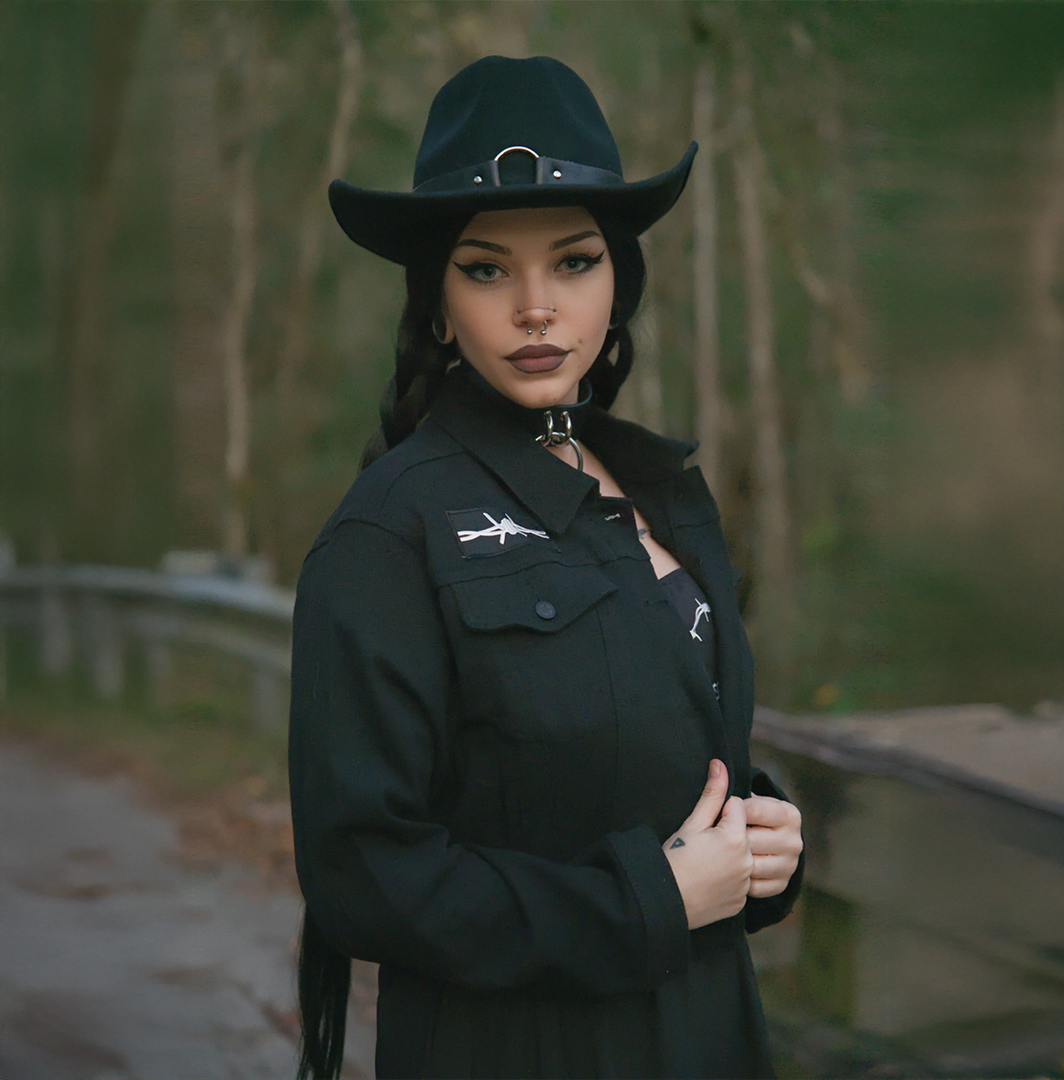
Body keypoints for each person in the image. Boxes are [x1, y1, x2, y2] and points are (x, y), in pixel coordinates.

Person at [289, 55, 804, 1080]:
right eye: (487, 270)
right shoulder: (388, 531)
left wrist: (756, 838)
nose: (535, 307)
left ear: (619, 282)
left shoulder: (664, 491)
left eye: (573, 262)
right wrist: (647, 901)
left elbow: (619, 738)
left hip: (708, 1034)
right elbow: (362, 875)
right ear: (438, 305)